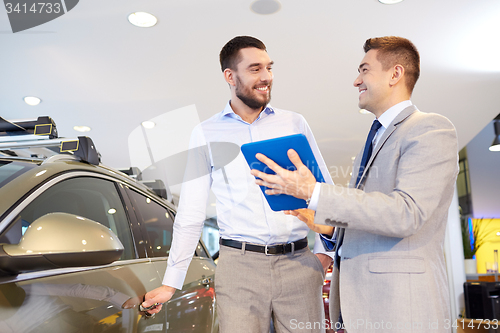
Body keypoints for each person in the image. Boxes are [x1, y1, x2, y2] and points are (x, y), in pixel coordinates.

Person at [251, 36, 459, 333]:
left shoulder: (430, 128)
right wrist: (331, 229)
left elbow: (407, 213)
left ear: (395, 74)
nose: (356, 81)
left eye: (364, 70)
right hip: (365, 308)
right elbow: (376, 221)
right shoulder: (374, 138)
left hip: (402, 309)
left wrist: (315, 192)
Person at [142, 36, 334, 333]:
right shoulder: (206, 132)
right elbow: (191, 213)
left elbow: (324, 192)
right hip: (239, 267)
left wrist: (325, 253)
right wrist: (171, 282)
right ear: (230, 76)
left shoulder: (294, 123)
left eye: (269, 68)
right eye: (255, 69)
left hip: (298, 264)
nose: (266, 77)